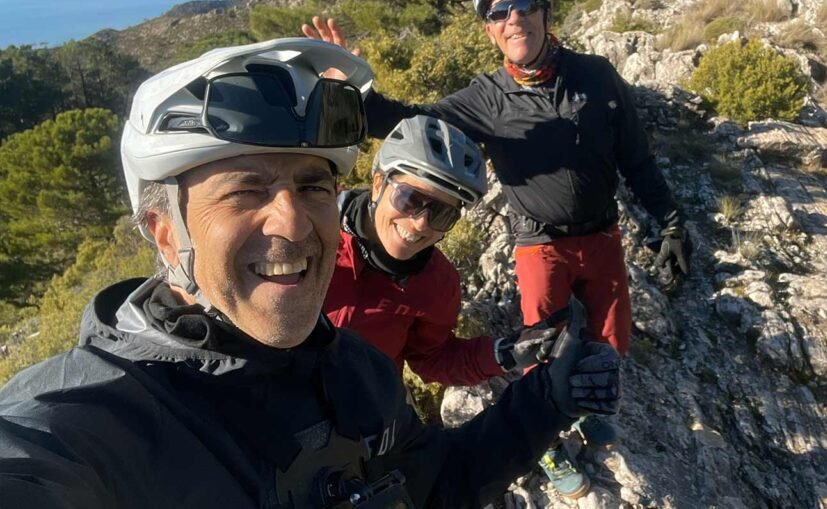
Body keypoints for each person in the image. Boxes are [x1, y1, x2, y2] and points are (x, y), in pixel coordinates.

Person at [0, 38, 620, 508]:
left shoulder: (359, 372)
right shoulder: (94, 419)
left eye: (312, 184)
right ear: (166, 232)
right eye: (246, 190)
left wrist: (543, 396)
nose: (292, 225)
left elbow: (435, 484)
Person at [303, 0, 689, 497]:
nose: (513, 18)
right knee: (544, 346)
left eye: (523, 3)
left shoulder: (596, 78)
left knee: (610, 336)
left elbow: (638, 160)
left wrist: (668, 224)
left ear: (544, 10)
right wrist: (355, 93)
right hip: (539, 244)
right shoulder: (486, 99)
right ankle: (549, 441)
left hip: (603, 235)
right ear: (488, 29)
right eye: (498, 11)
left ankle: (590, 409)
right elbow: (413, 125)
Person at [325, 114, 560, 387]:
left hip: (356, 416)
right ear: (379, 185)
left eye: (442, 214)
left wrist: (503, 354)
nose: (421, 223)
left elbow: (431, 358)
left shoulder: (436, 283)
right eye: (410, 198)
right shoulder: (309, 230)